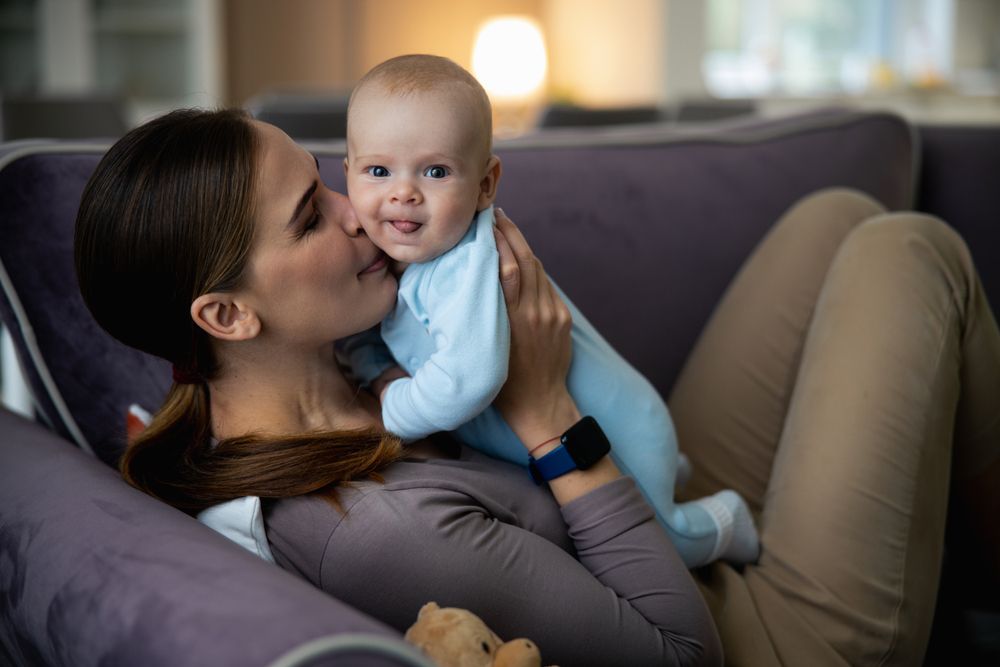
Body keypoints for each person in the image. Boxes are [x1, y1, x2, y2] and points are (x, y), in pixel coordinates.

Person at [73, 107, 1000, 667]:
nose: (365, 214)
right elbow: (680, 653)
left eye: (329, 181)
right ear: (227, 317)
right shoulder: (379, 535)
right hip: (750, 626)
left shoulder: (321, 375)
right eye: (312, 216)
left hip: (653, 503)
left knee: (834, 215)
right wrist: (548, 408)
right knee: (912, 250)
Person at [339, 53, 758, 568]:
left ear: (485, 185)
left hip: (612, 428)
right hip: (591, 434)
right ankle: (671, 474)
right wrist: (371, 367)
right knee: (649, 486)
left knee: (669, 545)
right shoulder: (396, 256)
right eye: (378, 170)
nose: (403, 193)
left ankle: (725, 522)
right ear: (349, 174)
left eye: (436, 171)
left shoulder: (466, 265)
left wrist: (387, 409)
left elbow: (469, 380)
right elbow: (374, 330)